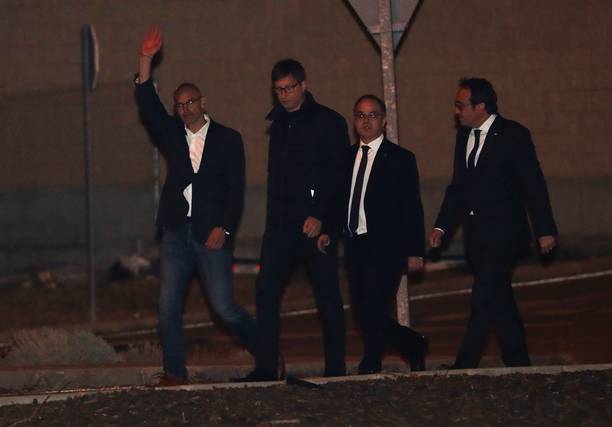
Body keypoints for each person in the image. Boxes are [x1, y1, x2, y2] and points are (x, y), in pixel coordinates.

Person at [134, 28, 256, 386]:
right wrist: (145, 59)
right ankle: (175, 372)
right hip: (175, 230)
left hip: (211, 232)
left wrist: (225, 228)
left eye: (190, 103)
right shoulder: (172, 133)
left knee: (224, 308)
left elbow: (236, 190)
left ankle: (267, 350)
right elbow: (147, 103)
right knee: (167, 307)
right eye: (179, 105)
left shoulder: (227, 139)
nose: (185, 109)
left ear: (203, 102)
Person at [429, 78, 558, 369]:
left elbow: (533, 184)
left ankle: (464, 365)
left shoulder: (513, 135)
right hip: (477, 237)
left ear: (480, 106)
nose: (456, 111)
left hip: (505, 236)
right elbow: (458, 187)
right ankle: (519, 363)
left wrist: (545, 230)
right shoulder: (464, 137)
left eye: (461, 105)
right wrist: (441, 226)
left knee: (483, 297)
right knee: (500, 301)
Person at [239, 59, 349, 381]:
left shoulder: (328, 121)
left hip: (314, 226)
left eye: (289, 88)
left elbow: (337, 175)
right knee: (266, 293)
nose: (284, 95)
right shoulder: (278, 123)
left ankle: (335, 369)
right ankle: (266, 367)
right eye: (278, 90)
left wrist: (322, 217)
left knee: (326, 296)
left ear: (303, 86)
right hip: (280, 226)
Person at [322, 94, 428, 374]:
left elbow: (411, 206)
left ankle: (371, 361)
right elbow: (338, 200)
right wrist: (328, 231)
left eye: (372, 115)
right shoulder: (345, 157)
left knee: (375, 307)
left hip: (387, 246)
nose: (366, 121)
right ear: (354, 120)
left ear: (383, 121)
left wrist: (415, 250)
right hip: (355, 244)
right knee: (362, 312)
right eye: (360, 115)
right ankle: (413, 344)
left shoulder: (400, 159)